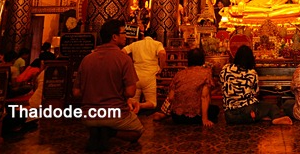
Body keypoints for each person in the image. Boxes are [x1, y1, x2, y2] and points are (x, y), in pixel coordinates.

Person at [73, 19, 144, 151]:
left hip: (89, 116)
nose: (126, 36)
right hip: (115, 114)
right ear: (114, 37)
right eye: (124, 33)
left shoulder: (87, 59)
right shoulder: (124, 58)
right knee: (137, 131)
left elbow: (76, 93)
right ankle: (110, 132)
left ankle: (97, 130)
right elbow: (130, 92)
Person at [219, 45, 292, 125]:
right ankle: (275, 118)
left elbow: (221, 84)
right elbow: (255, 93)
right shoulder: (252, 73)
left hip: (229, 115)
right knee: (271, 107)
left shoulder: (225, 69)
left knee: (259, 108)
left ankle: (259, 116)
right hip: (248, 111)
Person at [153, 48, 219, 126]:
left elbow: (171, 97)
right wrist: (205, 119)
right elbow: (204, 97)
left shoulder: (179, 74)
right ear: (202, 60)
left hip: (177, 117)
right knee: (215, 109)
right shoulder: (206, 73)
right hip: (196, 117)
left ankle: (163, 114)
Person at [122, 26, 167, 110]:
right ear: (154, 38)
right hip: (149, 77)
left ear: (143, 36)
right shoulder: (157, 44)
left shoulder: (135, 44)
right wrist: (161, 68)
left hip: (135, 76)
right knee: (152, 103)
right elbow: (163, 54)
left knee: (132, 101)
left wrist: (129, 64)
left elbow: (123, 51)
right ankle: (140, 105)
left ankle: (134, 108)